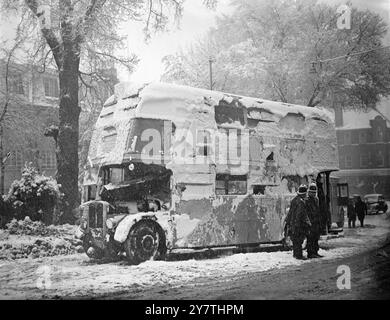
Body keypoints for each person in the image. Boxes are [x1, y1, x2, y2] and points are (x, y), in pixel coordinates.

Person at [284, 184, 311, 260]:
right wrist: (304, 223)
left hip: (293, 224)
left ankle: (296, 255)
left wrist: (288, 222)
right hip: (298, 225)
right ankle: (299, 255)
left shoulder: (294, 200)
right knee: (298, 241)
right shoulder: (301, 202)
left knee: (295, 241)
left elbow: (290, 213)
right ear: (304, 193)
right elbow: (300, 215)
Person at [306, 183, 323, 258]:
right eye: (312, 192)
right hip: (311, 222)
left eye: (314, 192)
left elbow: (317, 210)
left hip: (316, 222)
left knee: (315, 238)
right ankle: (310, 253)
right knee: (310, 238)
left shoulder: (316, 200)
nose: (313, 194)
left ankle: (315, 251)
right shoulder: (307, 201)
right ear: (309, 192)